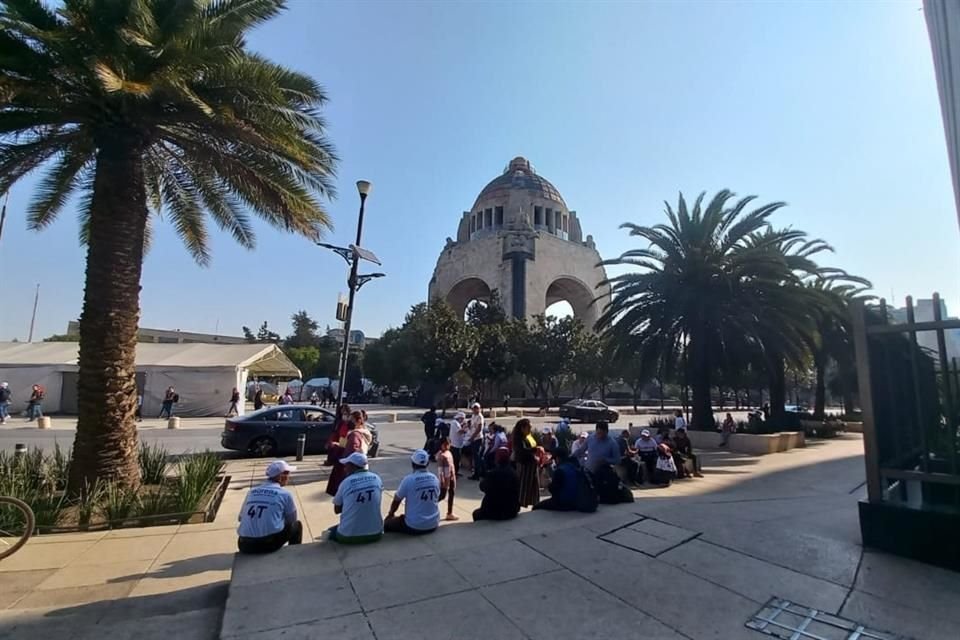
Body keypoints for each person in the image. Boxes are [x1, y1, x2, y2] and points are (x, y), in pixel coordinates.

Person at [237, 460, 303, 554]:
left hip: (244, 544)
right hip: (268, 544)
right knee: (296, 525)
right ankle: (293, 554)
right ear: (281, 477)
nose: (289, 477)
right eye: (288, 473)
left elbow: (240, 518)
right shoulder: (285, 494)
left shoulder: (251, 492)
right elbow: (292, 520)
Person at [328, 452, 383, 544]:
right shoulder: (377, 478)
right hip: (376, 533)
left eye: (346, 465)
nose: (345, 468)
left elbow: (337, 510)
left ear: (352, 466)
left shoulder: (346, 482)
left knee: (330, 531)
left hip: (348, 536)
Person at [384, 450, 441, 535]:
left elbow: (396, 500)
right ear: (427, 463)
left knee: (387, 524)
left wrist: (390, 514)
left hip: (414, 526)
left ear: (413, 464)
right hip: (433, 523)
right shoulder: (435, 478)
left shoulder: (409, 480)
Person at [533, 447, 597, 513]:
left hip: (564, 503)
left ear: (558, 458)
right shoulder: (576, 467)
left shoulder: (560, 470)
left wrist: (549, 484)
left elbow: (554, 490)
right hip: (577, 501)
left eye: (554, 459)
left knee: (536, 506)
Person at [326, 410, 373, 496]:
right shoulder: (364, 432)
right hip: (360, 464)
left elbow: (352, 450)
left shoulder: (354, 435)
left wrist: (338, 448)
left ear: (358, 420)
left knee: (347, 492)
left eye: (352, 420)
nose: (349, 421)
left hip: (352, 466)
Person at [473, 447, 520, 521]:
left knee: (476, 514)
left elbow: (482, 487)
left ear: (497, 459)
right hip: (512, 510)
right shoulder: (514, 472)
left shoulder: (493, 474)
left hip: (495, 512)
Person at [511, 418, 540, 508]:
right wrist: (534, 450)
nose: (530, 430)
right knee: (524, 485)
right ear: (522, 428)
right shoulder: (518, 439)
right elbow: (522, 451)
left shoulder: (529, 437)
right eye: (528, 428)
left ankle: (535, 502)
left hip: (532, 464)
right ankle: (521, 502)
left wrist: (536, 451)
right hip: (524, 464)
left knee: (534, 485)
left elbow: (533, 446)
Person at [436, 437, 459, 521]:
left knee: (452, 493)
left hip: (451, 477)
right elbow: (440, 470)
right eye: (444, 444)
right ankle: (428, 507)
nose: (446, 446)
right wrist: (442, 480)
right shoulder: (441, 456)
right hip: (445, 479)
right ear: (441, 445)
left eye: (448, 444)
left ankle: (450, 513)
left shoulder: (449, 453)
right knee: (442, 496)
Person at [467, 402, 486, 480]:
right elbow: (472, 426)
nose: (475, 409)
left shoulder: (480, 417)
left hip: (477, 438)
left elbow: (479, 428)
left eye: (476, 408)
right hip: (473, 438)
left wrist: (472, 437)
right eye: (474, 408)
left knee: (477, 457)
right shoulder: (473, 416)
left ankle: (478, 474)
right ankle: (478, 473)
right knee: (475, 457)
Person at [448, 411, 467, 476]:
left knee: (457, 460)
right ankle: (453, 473)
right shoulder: (454, 423)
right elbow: (460, 431)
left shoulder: (457, 423)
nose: (463, 420)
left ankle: (455, 472)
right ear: (459, 418)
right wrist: (466, 427)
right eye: (462, 419)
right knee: (455, 460)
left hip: (458, 444)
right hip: (455, 445)